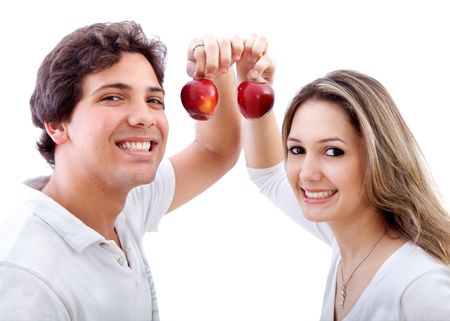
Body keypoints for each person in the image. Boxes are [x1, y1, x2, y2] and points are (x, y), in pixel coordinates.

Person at [0, 21, 264, 321]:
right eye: (113, 97)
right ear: (57, 125)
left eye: (154, 100)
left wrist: (215, 70)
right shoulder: (26, 281)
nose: (144, 118)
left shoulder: (122, 204)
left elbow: (216, 151)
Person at [243, 67, 450, 320]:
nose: (307, 174)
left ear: (378, 159)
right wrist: (252, 88)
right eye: (297, 150)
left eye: (332, 151)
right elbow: (267, 174)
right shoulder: (344, 237)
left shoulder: (422, 288)